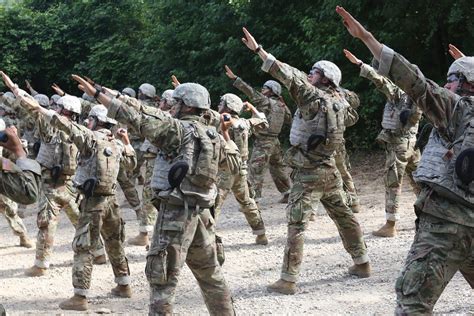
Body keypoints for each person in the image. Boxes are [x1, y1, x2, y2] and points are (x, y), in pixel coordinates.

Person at [337, 6, 474, 314]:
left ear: (464, 84)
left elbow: (416, 81)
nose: (447, 84)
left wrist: (368, 39)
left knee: (412, 305)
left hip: (446, 226)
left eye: (452, 79)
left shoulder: (457, 108)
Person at [72, 75, 238, 315]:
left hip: (175, 215)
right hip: (201, 214)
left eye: (176, 102)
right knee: (211, 275)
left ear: (188, 106)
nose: (172, 106)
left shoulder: (177, 131)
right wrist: (105, 91)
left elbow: (139, 119)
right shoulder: (211, 134)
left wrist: (100, 97)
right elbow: (231, 164)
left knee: (162, 280)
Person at [240, 27, 371, 295]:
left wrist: (258, 50)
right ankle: (362, 263)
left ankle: (288, 279)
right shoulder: (340, 100)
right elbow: (353, 105)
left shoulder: (312, 97)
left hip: (309, 171)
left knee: (297, 224)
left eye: (315, 72)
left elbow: (287, 74)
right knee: (344, 216)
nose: (309, 74)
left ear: (324, 79)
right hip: (329, 168)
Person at [343, 49, 422, 235]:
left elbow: (381, 82)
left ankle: (391, 225)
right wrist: (362, 65)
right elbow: (381, 81)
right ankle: (432, 216)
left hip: (399, 144)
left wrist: (361, 65)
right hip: (412, 144)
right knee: (419, 182)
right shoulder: (413, 90)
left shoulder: (403, 93)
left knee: (393, 183)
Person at [224, 65, 292, 202]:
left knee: (255, 169)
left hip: (263, 142)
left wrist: (236, 79)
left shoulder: (265, 101)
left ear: (272, 91)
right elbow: (289, 120)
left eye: (266, 88)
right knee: (278, 168)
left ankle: (254, 199)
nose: (262, 90)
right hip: (275, 141)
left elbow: (250, 92)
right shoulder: (282, 105)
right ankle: (287, 192)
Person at [214, 93, 269, 245]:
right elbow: (264, 121)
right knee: (246, 201)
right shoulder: (245, 122)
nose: (218, 105)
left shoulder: (223, 120)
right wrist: (253, 108)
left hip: (226, 168)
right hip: (241, 168)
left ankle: (207, 236)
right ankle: (261, 233)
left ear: (227, 106)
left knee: (214, 202)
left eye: (221, 102)